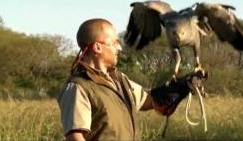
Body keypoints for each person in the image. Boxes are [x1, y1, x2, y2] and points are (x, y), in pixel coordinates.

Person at [57, 18, 206, 141]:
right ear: (97, 47)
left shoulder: (120, 79)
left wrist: (181, 86)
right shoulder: (78, 87)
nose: (119, 48)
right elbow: (75, 136)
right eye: (115, 42)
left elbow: (149, 100)